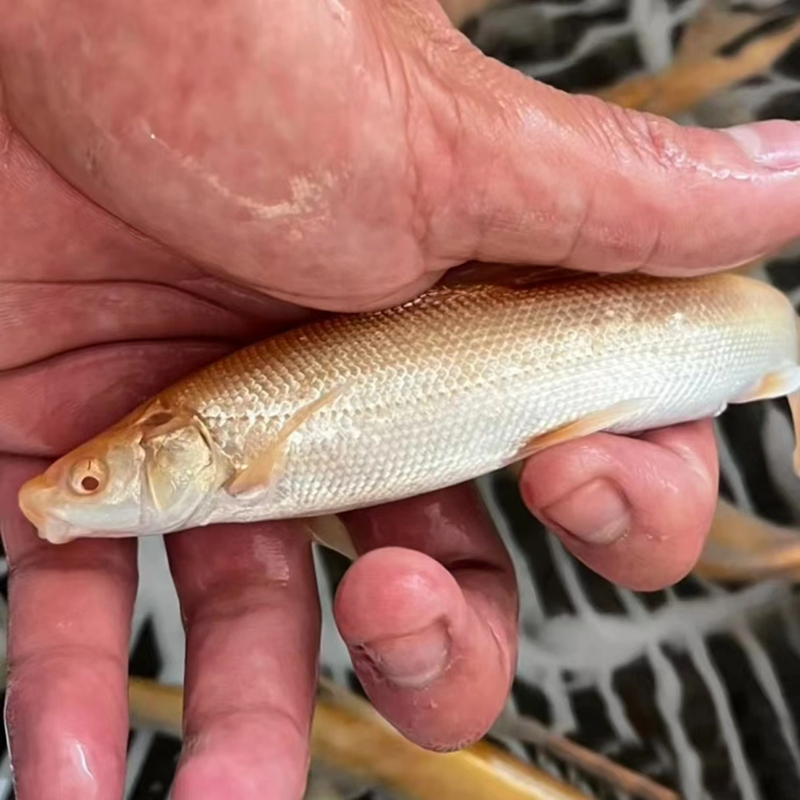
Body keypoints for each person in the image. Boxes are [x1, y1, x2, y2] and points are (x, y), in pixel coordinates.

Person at [1, 0, 800, 797]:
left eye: (92, 483)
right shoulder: (224, 468)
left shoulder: (230, 450)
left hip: (721, 328)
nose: (64, 496)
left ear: (176, 441)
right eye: (88, 483)